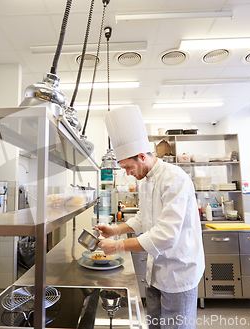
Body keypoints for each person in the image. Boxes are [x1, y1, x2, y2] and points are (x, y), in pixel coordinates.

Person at [96, 105, 204, 329]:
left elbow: (165, 236)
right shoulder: (145, 180)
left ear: (142, 156)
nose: (127, 173)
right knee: (154, 325)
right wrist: (115, 230)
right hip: (155, 272)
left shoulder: (175, 179)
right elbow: (143, 218)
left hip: (178, 272)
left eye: (128, 167)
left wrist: (117, 247)